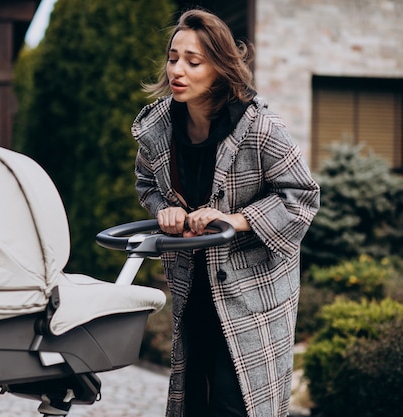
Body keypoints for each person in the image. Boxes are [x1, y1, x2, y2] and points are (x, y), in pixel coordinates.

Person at [132, 8, 320, 417]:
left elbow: (302, 195)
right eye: (173, 57)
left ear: (218, 68)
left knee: (237, 406)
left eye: (193, 61)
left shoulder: (260, 127)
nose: (178, 69)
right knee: (194, 401)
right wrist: (164, 209)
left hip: (254, 292)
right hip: (193, 283)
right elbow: (146, 183)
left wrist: (237, 218)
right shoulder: (157, 127)